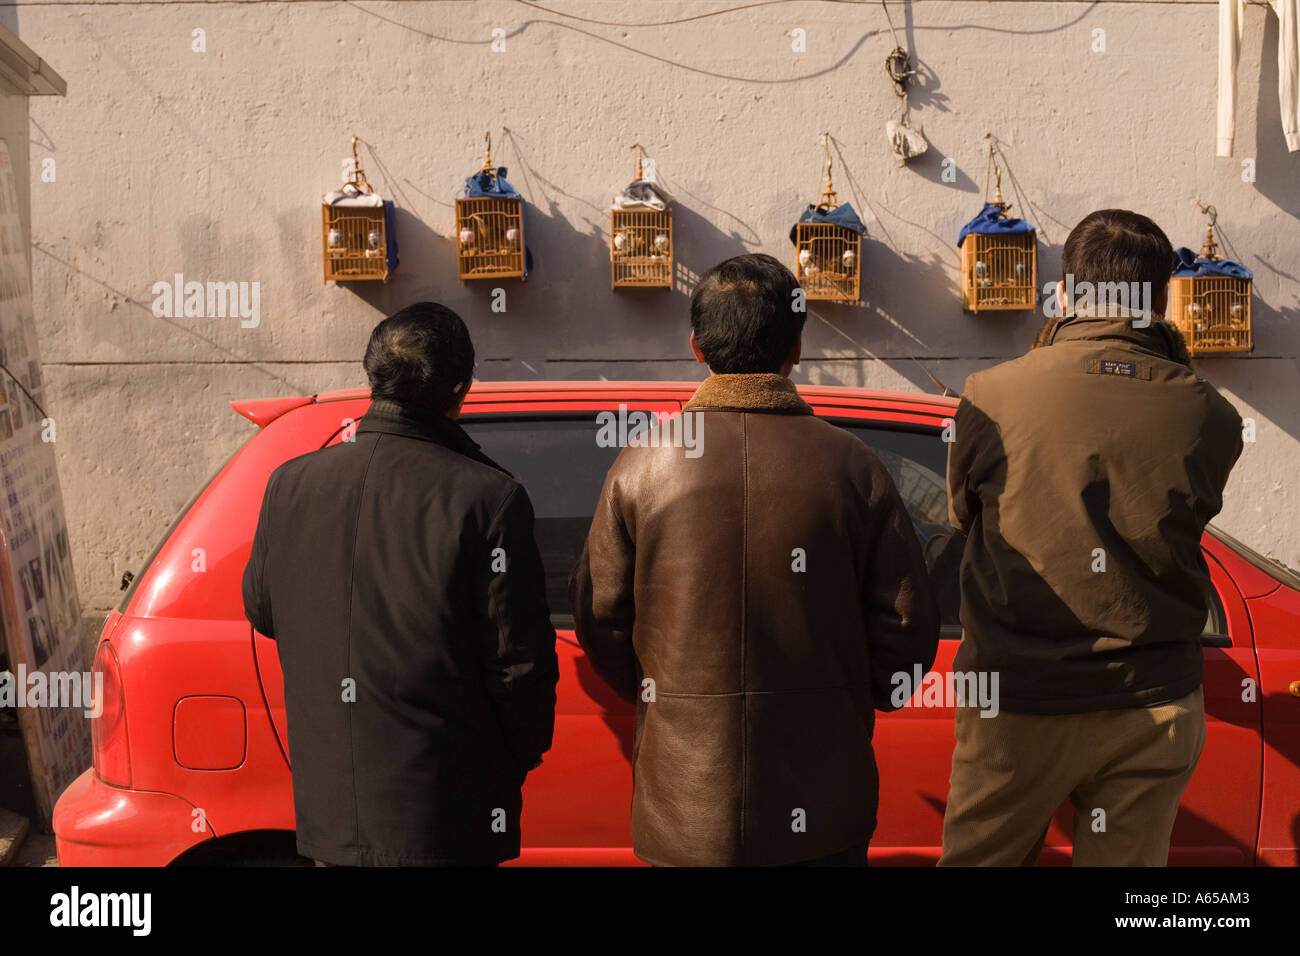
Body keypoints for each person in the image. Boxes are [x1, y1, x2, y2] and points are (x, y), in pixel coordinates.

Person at [570, 253, 940, 866]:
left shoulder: (642, 464)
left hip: (685, 814)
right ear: (796, 346)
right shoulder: (852, 464)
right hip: (822, 807)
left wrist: (666, 695)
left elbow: (601, 617)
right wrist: (851, 697)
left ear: (696, 345)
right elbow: (904, 627)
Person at [939, 209, 1243, 867]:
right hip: (1154, 696)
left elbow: (964, 517)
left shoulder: (993, 395)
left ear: (1067, 290)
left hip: (1017, 694)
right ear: (1161, 299)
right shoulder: (1209, 413)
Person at [242, 302, 558, 866]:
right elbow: (519, 666)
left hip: (333, 816)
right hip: (447, 818)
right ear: (460, 388)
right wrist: (516, 757)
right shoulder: (488, 498)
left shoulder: (290, 483)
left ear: (372, 379)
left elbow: (263, 610)